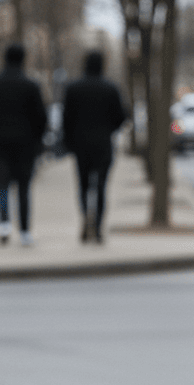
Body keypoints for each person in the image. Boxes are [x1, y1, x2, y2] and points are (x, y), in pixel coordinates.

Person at [0, 43, 47, 247]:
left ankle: (4, 224)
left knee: (1, 186)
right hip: (26, 145)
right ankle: (25, 230)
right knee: (24, 188)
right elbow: (41, 118)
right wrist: (36, 139)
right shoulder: (31, 85)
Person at [62, 50, 127, 243]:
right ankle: (97, 226)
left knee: (83, 186)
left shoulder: (73, 88)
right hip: (103, 145)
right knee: (100, 186)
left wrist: (69, 142)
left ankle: (85, 219)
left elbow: (66, 119)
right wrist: (108, 130)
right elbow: (120, 118)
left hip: (80, 145)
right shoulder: (110, 89)